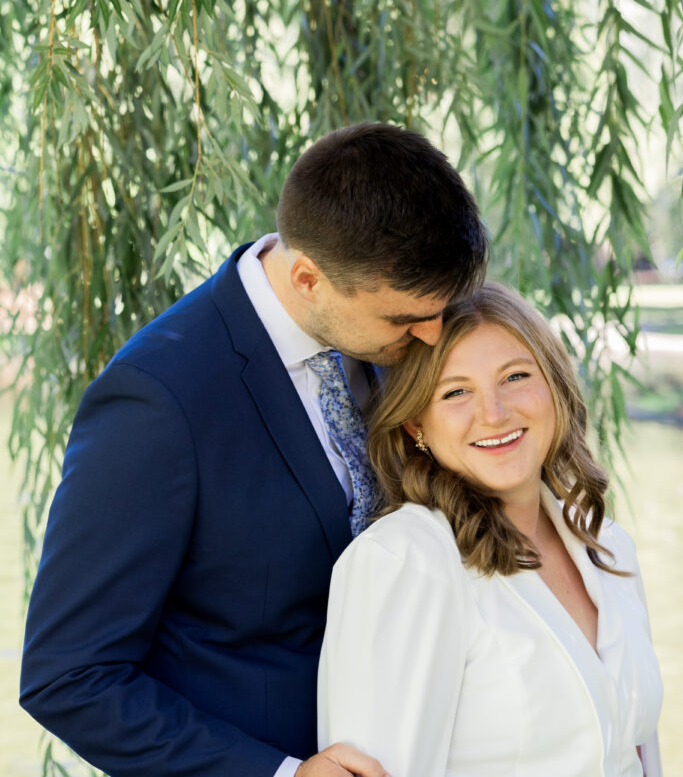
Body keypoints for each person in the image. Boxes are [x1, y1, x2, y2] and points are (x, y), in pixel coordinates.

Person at [20, 122, 488, 777]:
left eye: (442, 308)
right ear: (306, 278)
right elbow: (70, 676)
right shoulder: (156, 401)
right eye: (403, 318)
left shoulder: (392, 347)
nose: (435, 337)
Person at [318, 282, 663, 777]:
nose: (494, 413)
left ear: (554, 389)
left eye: (515, 376)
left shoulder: (608, 546)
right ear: (416, 424)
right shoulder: (405, 561)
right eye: (456, 391)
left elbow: (637, 751)